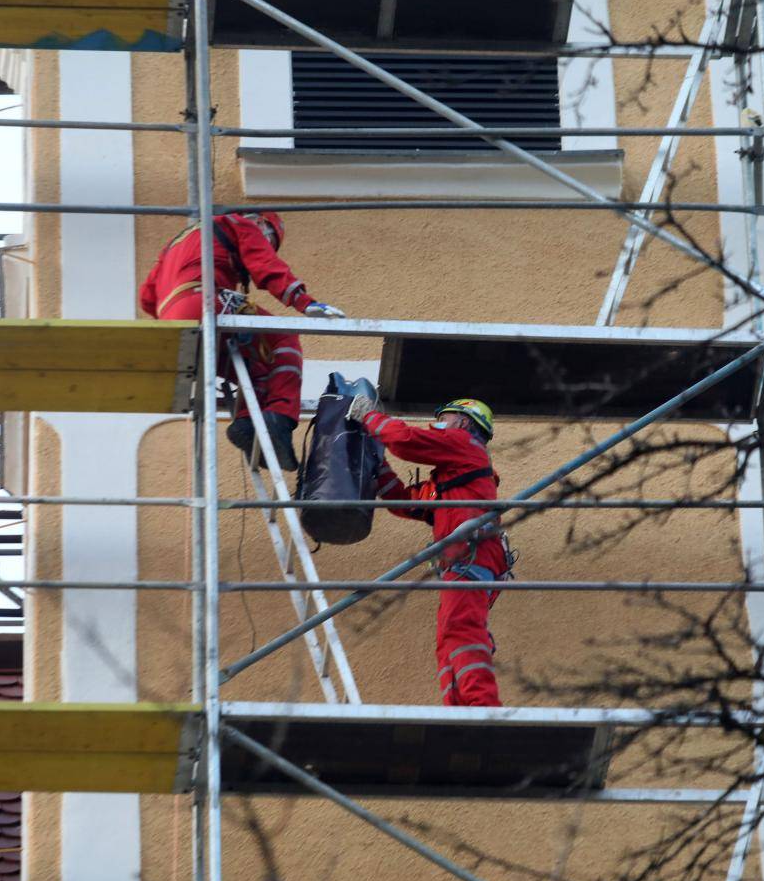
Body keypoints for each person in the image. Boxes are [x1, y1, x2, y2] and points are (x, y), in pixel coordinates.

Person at [138, 211, 344, 470]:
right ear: (260, 222)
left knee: (256, 365)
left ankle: (248, 423)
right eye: (269, 240)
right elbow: (265, 265)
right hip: (205, 301)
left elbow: (146, 297)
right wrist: (305, 302)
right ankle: (279, 417)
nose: (267, 245)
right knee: (282, 336)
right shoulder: (240, 223)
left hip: (174, 320)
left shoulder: (174, 244)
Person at [344, 396, 511, 707]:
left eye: (444, 420)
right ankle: (459, 710)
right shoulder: (455, 478)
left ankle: (483, 708)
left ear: (463, 423)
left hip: (470, 558)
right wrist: (379, 467)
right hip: (464, 561)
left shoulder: (464, 443)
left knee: (461, 630)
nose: (438, 427)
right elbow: (407, 502)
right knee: (449, 636)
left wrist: (370, 417)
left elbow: (405, 440)